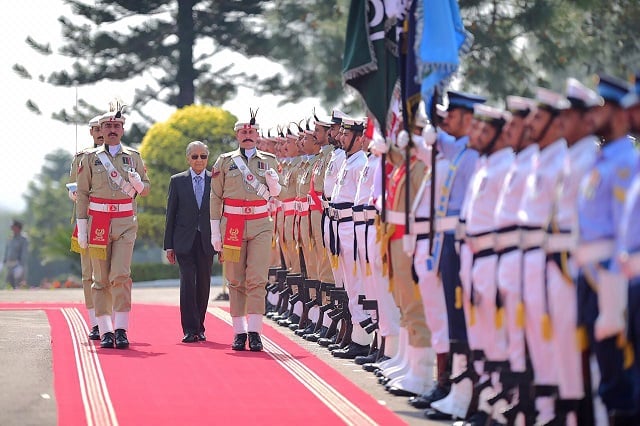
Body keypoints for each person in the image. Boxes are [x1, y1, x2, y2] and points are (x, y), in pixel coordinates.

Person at [75, 101, 151, 349]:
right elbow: (83, 194)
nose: (112, 129)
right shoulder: (89, 159)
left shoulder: (134, 157)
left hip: (125, 222)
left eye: (116, 125)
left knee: (121, 275)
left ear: (122, 129)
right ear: (102, 129)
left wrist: (139, 184)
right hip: (98, 222)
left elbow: (147, 189)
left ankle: (121, 328)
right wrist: (82, 227)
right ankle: (105, 329)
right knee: (100, 279)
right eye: (107, 126)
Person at [210, 109, 281, 352]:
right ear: (237, 135)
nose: (247, 135)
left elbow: (276, 194)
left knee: (257, 279)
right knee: (235, 279)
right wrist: (214, 231)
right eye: (243, 131)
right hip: (231, 224)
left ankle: (256, 332)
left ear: (257, 134)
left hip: (261, 223)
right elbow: (215, 196)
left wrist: (273, 183)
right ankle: (239, 332)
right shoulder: (224, 162)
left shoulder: (269, 160)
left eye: (251, 131)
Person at [164, 141, 215, 343]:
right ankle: (189, 329)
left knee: (203, 284)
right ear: (188, 159)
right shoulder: (177, 181)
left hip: (208, 240)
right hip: (183, 241)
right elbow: (171, 214)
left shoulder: (216, 180)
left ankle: (200, 327)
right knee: (188, 283)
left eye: (203, 156)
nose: (199, 160)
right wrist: (168, 245)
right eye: (195, 156)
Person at [69, 114, 104, 340]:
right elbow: (73, 189)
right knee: (88, 275)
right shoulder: (81, 157)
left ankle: (111, 322)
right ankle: (95, 323)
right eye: (97, 129)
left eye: (106, 127)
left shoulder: (126, 157)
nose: (101, 132)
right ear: (91, 132)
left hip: (114, 221)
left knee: (112, 274)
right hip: (88, 220)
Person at [2, 220, 28, 289]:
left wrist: (21, 266)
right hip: (9, 264)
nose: (12, 229)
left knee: (19, 284)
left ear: (18, 228)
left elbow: (24, 253)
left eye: (13, 227)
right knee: (8, 283)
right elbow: (7, 251)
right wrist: (3, 261)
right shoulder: (11, 238)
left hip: (18, 265)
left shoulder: (23, 239)